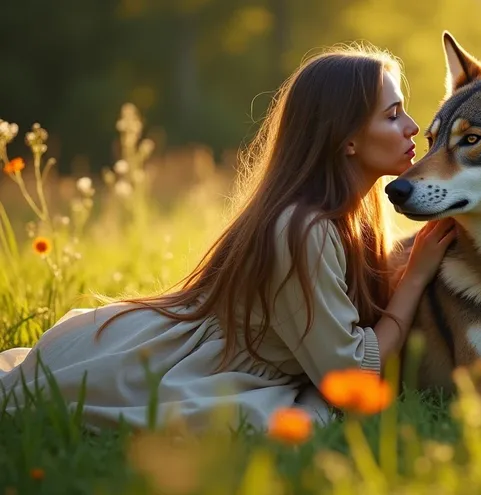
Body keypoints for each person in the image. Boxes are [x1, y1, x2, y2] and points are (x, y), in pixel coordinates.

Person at [0, 44, 457, 433]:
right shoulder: (304, 231)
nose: (413, 127)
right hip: (170, 368)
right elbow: (349, 375)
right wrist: (413, 280)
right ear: (347, 139)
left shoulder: (352, 218)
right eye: (393, 115)